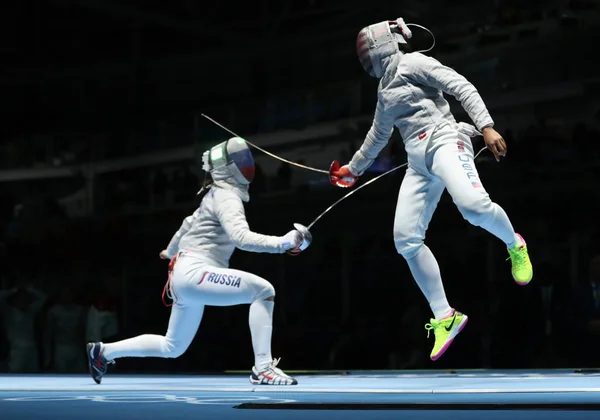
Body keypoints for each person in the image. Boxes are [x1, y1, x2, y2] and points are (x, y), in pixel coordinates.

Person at [329, 18, 533, 361]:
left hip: (445, 139)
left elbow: (459, 85)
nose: (365, 60)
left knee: (473, 207)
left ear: (381, 46)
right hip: (419, 163)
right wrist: (354, 169)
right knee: (405, 238)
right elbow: (378, 136)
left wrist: (486, 126)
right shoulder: (384, 92)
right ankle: (445, 316)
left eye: (367, 52)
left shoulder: (413, 62)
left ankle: (515, 243)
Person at [87, 137, 306, 385]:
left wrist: (169, 252)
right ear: (228, 167)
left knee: (173, 346)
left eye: (247, 158)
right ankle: (263, 368)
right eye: (241, 160)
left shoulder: (213, 195)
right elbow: (241, 238)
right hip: (195, 273)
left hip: (186, 275)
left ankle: (103, 352)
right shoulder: (226, 196)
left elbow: (187, 225)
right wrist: (284, 243)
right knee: (263, 291)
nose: (247, 164)